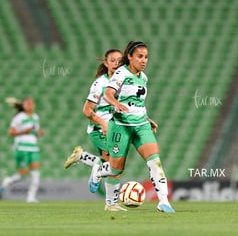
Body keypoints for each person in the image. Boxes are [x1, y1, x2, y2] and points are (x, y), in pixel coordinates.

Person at [89, 41, 175, 213]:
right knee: (115, 168)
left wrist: (147, 118)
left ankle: (164, 201)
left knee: (154, 161)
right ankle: (99, 173)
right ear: (129, 57)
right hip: (120, 126)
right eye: (140, 57)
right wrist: (116, 103)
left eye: (146, 57)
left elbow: (137, 102)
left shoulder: (143, 77)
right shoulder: (121, 73)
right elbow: (108, 94)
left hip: (141, 125)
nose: (144, 61)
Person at [64, 48, 126, 211]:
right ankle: (111, 203)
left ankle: (83, 158)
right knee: (115, 165)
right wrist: (102, 123)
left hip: (117, 130)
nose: (116, 63)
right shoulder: (100, 83)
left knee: (113, 165)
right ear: (106, 63)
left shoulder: (125, 81)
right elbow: (87, 110)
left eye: (120, 60)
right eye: (112, 60)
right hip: (100, 130)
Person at [0, 97, 44, 203]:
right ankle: (7, 181)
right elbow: (11, 132)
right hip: (21, 148)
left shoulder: (35, 117)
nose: (30, 105)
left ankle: (31, 197)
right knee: (23, 175)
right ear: (23, 105)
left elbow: (34, 132)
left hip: (33, 148)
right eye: (27, 103)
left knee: (35, 173)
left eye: (31, 103)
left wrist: (38, 133)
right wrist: (24, 131)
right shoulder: (19, 117)